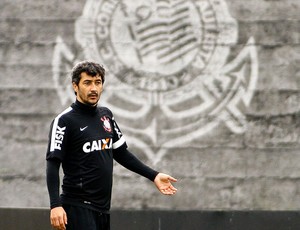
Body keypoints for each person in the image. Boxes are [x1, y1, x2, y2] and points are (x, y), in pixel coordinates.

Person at [46, 60, 177, 230]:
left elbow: (121, 153)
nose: (93, 88)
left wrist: (154, 175)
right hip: (76, 207)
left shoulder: (106, 115)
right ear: (75, 86)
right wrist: (55, 205)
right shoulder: (64, 121)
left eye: (98, 83)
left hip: (102, 209)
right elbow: (52, 164)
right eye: (87, 83)